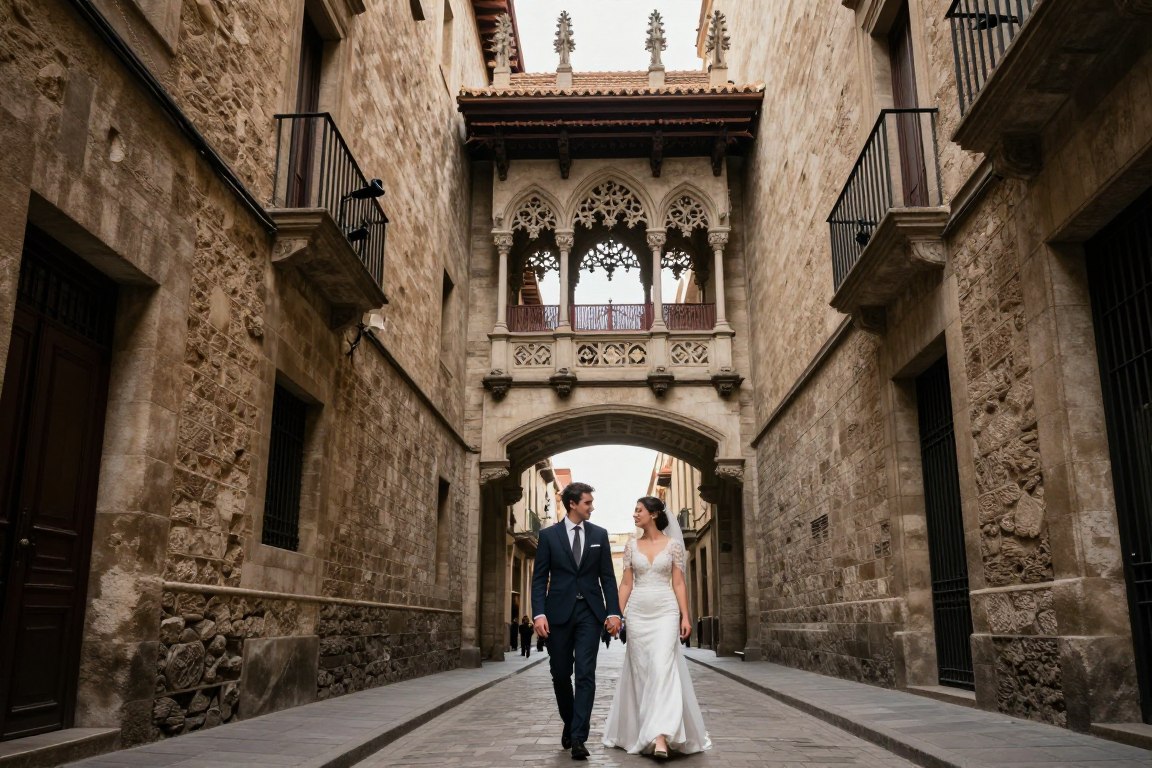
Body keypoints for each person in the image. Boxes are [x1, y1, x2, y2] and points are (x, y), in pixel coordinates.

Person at [602, 496, 710, 759]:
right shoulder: (630, 546)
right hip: (638, 613)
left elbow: (679, 584)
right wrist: (615, 613)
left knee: (662, 669)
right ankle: (644, 729)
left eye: (638, 510)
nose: (634, 514)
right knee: (643, 672)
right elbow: (626, 583)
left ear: (652, 514)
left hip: (665, 611)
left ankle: (660, 736)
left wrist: (685, 616)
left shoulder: (673, 546)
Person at [532, 482, 621, 760]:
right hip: (557, 614)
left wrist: (613, 611)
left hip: (590, 615)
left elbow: (607, 576)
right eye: (587, 503)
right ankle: (570, 722)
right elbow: (539, 579)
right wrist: (539, 613)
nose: (591, 507)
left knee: (585, 674)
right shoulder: (548, 536)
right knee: (560, 673)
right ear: (572, 504)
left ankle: (579, 736)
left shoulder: (599, 535)